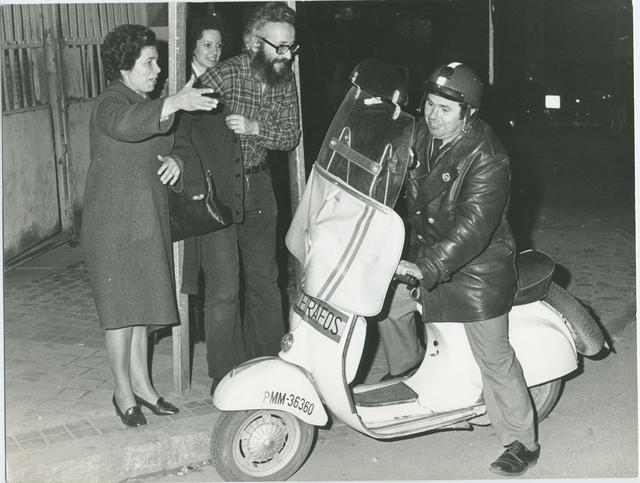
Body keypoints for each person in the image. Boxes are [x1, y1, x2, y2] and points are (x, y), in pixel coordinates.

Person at [377, 62, 540, 476]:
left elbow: (473, 229)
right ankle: (410, 374)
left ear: (468, 114)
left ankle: (521, 440)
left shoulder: (488, 157)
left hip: (476, 267)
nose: (433, 115)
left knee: (493, 356)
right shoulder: (420, 132)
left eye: (445, 109)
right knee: (386, 305)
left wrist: (424, 266)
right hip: (427, 252)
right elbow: (385, 165)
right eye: (430, 104)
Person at [82, 24, 218, 427]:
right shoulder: (110, 103)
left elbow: (175, 145)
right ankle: (122, 392)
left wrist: (178, 162)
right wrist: (174, 101)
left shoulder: (147, 103)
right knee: (120, 313)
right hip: (112, 226)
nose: (157, 70)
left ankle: (143, 386)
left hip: (145, 220)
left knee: (140, 309)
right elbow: (128, 124)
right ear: (124, 66)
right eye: (149, 62)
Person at [195, 1, 301, 391]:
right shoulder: (224, 74)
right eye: (280, 46)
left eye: (291, 46)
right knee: (224, 288)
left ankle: (269, 365)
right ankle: (224, 374)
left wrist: (256, 128)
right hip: (221, 189)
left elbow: (290, 135)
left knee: (265, 282)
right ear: (255, 43)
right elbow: (187, 121)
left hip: (259, 186)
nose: (287, 55)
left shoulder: (285, 80)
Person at [172, 14, 248, 393]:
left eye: (218, 45)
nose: (214, 52)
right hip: (193, 200)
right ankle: (214, 369)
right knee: (200, 289)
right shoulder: (180, 87)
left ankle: (224, 369)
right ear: (192, 47)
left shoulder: (226, 83)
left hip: (222, 200)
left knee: (225, 287)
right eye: (207, 45)